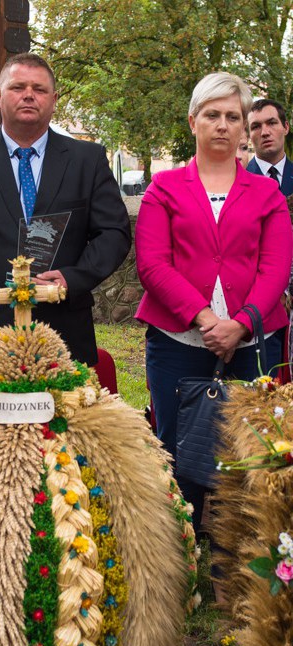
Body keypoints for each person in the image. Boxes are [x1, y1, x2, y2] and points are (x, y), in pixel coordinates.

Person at [134, 72, 292, 534]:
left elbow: (276, 267)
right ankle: (181, 541)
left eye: (232, 117)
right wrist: (205, 318)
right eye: (212, 115)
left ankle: (240, 545)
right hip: (177, 340)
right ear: (193, 122)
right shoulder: (163, 188)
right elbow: (154, 265)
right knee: (176, 442)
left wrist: (241, 323)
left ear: (244, 127)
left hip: (254, 342)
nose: (222, 125)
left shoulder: (267, 194)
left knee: (253, 445)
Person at [0, 52, 131, 371]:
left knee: (61, 423)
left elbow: (114, 233)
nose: (29, 95)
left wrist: (73, 278)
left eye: (40, 89)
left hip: (62, 331)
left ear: (54, 99)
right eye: (18, 87)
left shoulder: (87, 160)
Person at [247, 98, 293, 195]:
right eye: (256, 127)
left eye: (271, 123)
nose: (265, 133)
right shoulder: (235, 181)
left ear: (286, 127)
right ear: (248, 135)